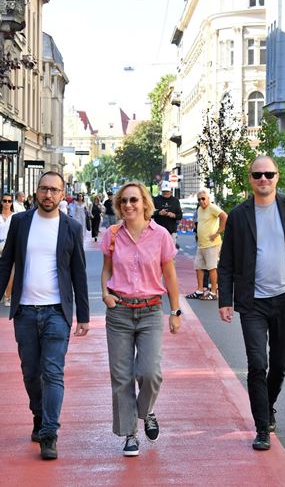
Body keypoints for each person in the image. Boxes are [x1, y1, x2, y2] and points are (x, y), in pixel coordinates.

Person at [0, 171, 89, 461]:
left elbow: (79, 273)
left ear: (62, 194)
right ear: (36, 191)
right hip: (25, 311)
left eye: (54, 190)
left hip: (57, 312)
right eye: (44, 189)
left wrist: (83, 315)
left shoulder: (71, 227)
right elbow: (6, 264)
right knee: (31, 372)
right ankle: (39, 415)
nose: (48, 194)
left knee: (53, 372)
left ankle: (49, 432)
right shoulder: (21, 222)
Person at [217, 156, 285, 451]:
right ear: (250, 178)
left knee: (279, 365)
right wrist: (225, 300)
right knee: (258, 364)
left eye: (269, 174)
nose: (263, 179)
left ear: (277, 177)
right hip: (252, 303)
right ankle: (262, 428)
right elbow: (226, 261)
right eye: (258, 174)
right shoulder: (238, 215)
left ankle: (267, 406)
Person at [100, 181, 181, 457]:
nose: (128, 205)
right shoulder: (112, 234)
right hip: (119, 311)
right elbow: (106, 270)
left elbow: (170, 276)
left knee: (149, 372)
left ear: (145, 203)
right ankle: (130, 434)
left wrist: (175, 311)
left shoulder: (161, 235)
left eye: (134, 200)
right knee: (121, 376)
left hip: (150, 311)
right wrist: (105, 294)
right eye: (123, 201)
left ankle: (147, 410)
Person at [186, 188, 227, 301]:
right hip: (202, 244)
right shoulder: (200, 209)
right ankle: (200, 290)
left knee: (211, 268)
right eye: (199, 199)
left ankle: (213, 292)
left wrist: (218, 232)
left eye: (203, 199)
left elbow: (224, 216)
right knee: (198, 267)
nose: (201, 201)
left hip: (212, 244)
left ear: (208, 199)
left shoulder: (212, 207)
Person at [152, 181, 182, 249]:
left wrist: (173, 215)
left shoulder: (175, 200)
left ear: (170, 191)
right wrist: (159, 213)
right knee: (158, 252)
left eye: (167, 191)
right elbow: (149, 214)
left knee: (171, 252)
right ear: (161, 191)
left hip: (171, 231)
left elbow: (180, 215)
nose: (166, 193)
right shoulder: (155, 200)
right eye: (164, 191)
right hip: (158, 232)